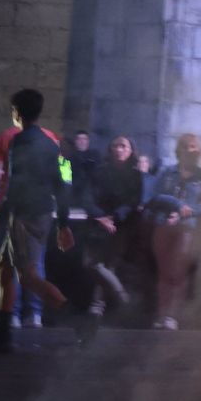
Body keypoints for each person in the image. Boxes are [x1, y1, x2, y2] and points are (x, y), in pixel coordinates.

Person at [0, 88, 73, 354]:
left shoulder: (21, 142)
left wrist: (0, 217)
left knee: (28, 277)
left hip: (26, 215)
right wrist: (63, 223)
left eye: (13, 110)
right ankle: (3, 332)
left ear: (17, 112)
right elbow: (61, 184)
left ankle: (78, 320)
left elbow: (17, 185)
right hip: (40, 212)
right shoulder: (49, 142)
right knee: (6, 267)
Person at [148, 132, 201, 329]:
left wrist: (187, 212)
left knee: (178, 271)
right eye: (187, 147)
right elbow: (155, 196)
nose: (191, 150)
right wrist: (176, 206)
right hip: (164, 225)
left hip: (187, 227)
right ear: (180, 151)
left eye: (194, 147)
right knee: (164, 271)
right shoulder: (167, 173)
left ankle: (172, 316)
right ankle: (162, 314)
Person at [84, 134, 146, 324]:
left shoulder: (136, 175)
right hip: (98, 222)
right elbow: (87, 196)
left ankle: (98, 304)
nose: (119, 150)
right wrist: (100, 216)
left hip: (123, 224)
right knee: (92, 263)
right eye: (115, 146)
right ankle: (122, 298)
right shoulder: (100, 171)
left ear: (131, 151)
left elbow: (134, 200)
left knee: (107, 264)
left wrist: (115, 217)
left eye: (123, 146)